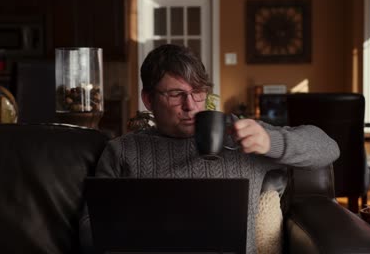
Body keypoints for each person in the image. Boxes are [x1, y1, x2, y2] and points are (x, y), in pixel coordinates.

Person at [79, 44, 340, 253]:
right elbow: (89, 233)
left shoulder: (241, 136)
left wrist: (272, 142)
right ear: (148, 99)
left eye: (198, 92)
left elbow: (328, 149)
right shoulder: (123, 151)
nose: (191, 105)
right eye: (175, 94)